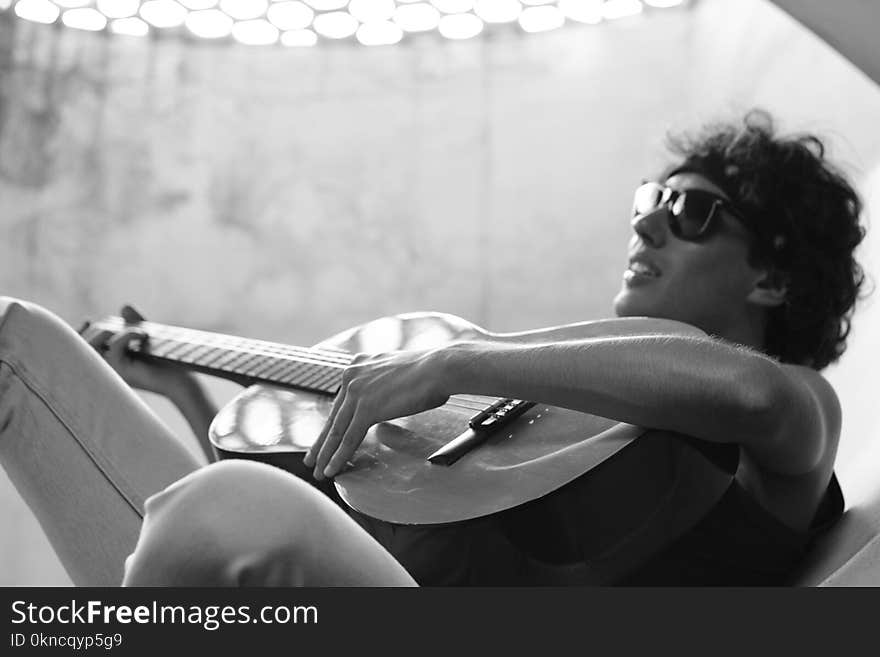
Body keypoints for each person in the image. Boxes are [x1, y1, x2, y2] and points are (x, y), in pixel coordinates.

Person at [0, 110, 864, 586]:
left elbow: (751, 395)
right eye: (648, 198)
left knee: (225, 509)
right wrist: (184, 391)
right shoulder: (565, 415)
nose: (645, 219)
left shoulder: (790, 422)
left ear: (772, 282)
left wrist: (458, 359)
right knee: (20, 343)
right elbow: (299, 533)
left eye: (689, 211)